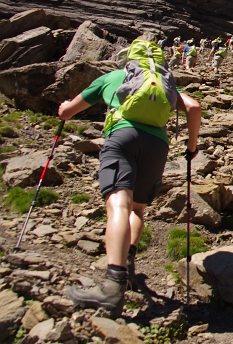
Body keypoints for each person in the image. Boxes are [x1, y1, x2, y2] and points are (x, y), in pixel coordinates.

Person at [57, 39, 201, 316]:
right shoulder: (165, 82)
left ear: (129, 58)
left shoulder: (114, 76)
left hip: (122, 136)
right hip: (158, 143)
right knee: (137, 208)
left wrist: (63, 107)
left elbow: (67, 112)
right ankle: (129, 262)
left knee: (118, 204)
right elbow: (193, 108)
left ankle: (112, 284)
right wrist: (191, 147)